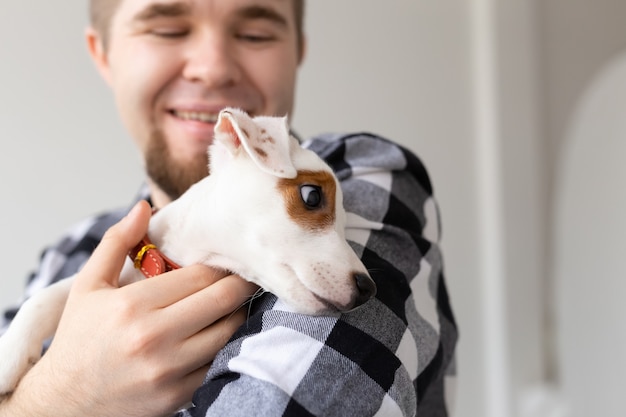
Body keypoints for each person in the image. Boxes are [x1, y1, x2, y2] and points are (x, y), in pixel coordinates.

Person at [0, 0, 458, 416]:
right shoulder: (64, 256)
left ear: (298, 49)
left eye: (255, 34)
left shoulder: (366, 179)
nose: (213, 69)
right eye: (167, 30)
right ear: (102, 54)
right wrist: (63, 395)